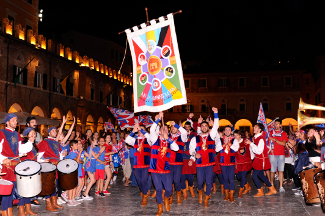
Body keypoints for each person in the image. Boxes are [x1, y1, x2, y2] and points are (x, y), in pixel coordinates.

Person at [149, 112, 179, 216]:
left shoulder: (169, 141)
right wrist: (158, 119)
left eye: (166, 129)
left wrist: (169, 139)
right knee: (158, 189)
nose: (164, 130)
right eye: (163, 129)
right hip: (155, 169)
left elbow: (176, 148)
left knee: (169, 189)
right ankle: (160, 207)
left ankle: (166, 199)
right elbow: (152, 130)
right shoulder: (154, 138)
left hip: (166, 168)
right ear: (159, 131)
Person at [189, 107, 219, 207]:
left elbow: (216, 127)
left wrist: (215, 113)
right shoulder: (195, 138)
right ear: (200, 128)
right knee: (200, 182)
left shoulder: (212, 135)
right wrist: (194, 155)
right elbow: (191, 149)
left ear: (208, 127)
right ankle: (200, 192)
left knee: (209, 180)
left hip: (210, 162)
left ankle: (206, 198)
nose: (204, 127)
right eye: (203, 126)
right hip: (200, 163)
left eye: (206, 126)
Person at [38, 126, 66, 212]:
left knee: (55, 184)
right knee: (48, 185)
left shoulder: (56, 143)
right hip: (48, 167)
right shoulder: (44, 142)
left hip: (56, 166)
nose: (55, 132)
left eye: (55, 131)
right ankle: (48, 204)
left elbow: (59, 156)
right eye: (52, 131)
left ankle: (54, 202)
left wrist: (63, 154)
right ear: (49, 133)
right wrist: (43, 160)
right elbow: (39, 156)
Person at [246, 123, 276, 197]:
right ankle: (272, 189)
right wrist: (251, 157)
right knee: (261, 175)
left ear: (259, 129)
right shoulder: (255, 138)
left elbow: (259, 150)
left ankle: (260, 191)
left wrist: (251, 144)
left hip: (261, 159)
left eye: (256, 127)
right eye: (254, 126)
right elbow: (253, 150)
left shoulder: (261, 138)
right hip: (257, 159)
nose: (254, 128)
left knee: (254, 175)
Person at [125, 123, 152, 206]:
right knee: (139, 181)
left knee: (144, 180)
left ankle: (144, 196)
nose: (140, 131)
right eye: (139, 130)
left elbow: (149, 137)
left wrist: (143, 131)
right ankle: (145, 191)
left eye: (142, 130)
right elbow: (127, 141)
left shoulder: (149, 139)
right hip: (137, 165)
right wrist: (133, 131)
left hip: (146, 164)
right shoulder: (135, 140)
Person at [216, 125, 239, 203]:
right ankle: (226, 195)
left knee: (231, 179)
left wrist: (229, 144)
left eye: (229, 130)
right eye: (226, 130)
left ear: (231, 131)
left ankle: (231, 196)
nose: (227, 131)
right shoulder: (220, 140)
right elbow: (216, 149)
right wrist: (223, 145)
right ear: (224, 131)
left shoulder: (234, 140)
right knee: (225, 179)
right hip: (223, 163)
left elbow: (236, 148)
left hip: (231, 163)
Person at [168, 120, 187, 204]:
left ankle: (178, 195)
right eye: (172, 127)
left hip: (178, 162)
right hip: (168, 162)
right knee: (170, 181)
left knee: (176, 180)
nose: (173, 128)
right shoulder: (167, 136)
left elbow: (184, 131)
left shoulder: (182, 136)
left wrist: (176, 124)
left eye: (175, 127)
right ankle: (171, 196)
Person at [268, 119, 288, 193]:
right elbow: (267, 142)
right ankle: (272, 185)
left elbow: (283, 144)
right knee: (272, 171)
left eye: (277, 124)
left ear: (280, 125)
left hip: (281, 154)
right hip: (272, 153)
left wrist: (274, 139)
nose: (276, 125)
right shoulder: (270, 132)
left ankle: (281, 186)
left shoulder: (284, 133)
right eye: (275, 124)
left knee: (281, 170)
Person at [181, 120, 197, 199]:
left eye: (188, 127)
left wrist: (193, 157)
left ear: (190, 127)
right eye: (185, 127)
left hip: (189, 157)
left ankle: (191, 188)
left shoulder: (193, 135)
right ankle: (184, 192)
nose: (187, 128)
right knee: (182, 177)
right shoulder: (181, 134)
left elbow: (195, 147)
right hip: (181, 158)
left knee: (190, 176)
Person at [234, 130, 252, 197]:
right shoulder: (233, 143)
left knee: (243, 176)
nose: (235, 137)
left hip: (245, 162)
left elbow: (251, 147)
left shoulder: (245, 141)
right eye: (234, 135)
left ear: (240, 135)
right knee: (239, 177)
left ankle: (240, 191)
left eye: (237, 135)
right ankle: (247, 186)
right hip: (238, 163)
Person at [65, 140, 82, 206]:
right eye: (75, 145)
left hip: (76, 170)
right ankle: (69, 200)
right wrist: (80, 153)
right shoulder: (72, 153)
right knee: (71, 186)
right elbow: (77, 161)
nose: (77, 145)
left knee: (75, 186)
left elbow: (80, 161)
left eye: (77, 144)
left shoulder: (76, 152)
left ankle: (73, 199)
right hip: (72, 171)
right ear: (71, 146)